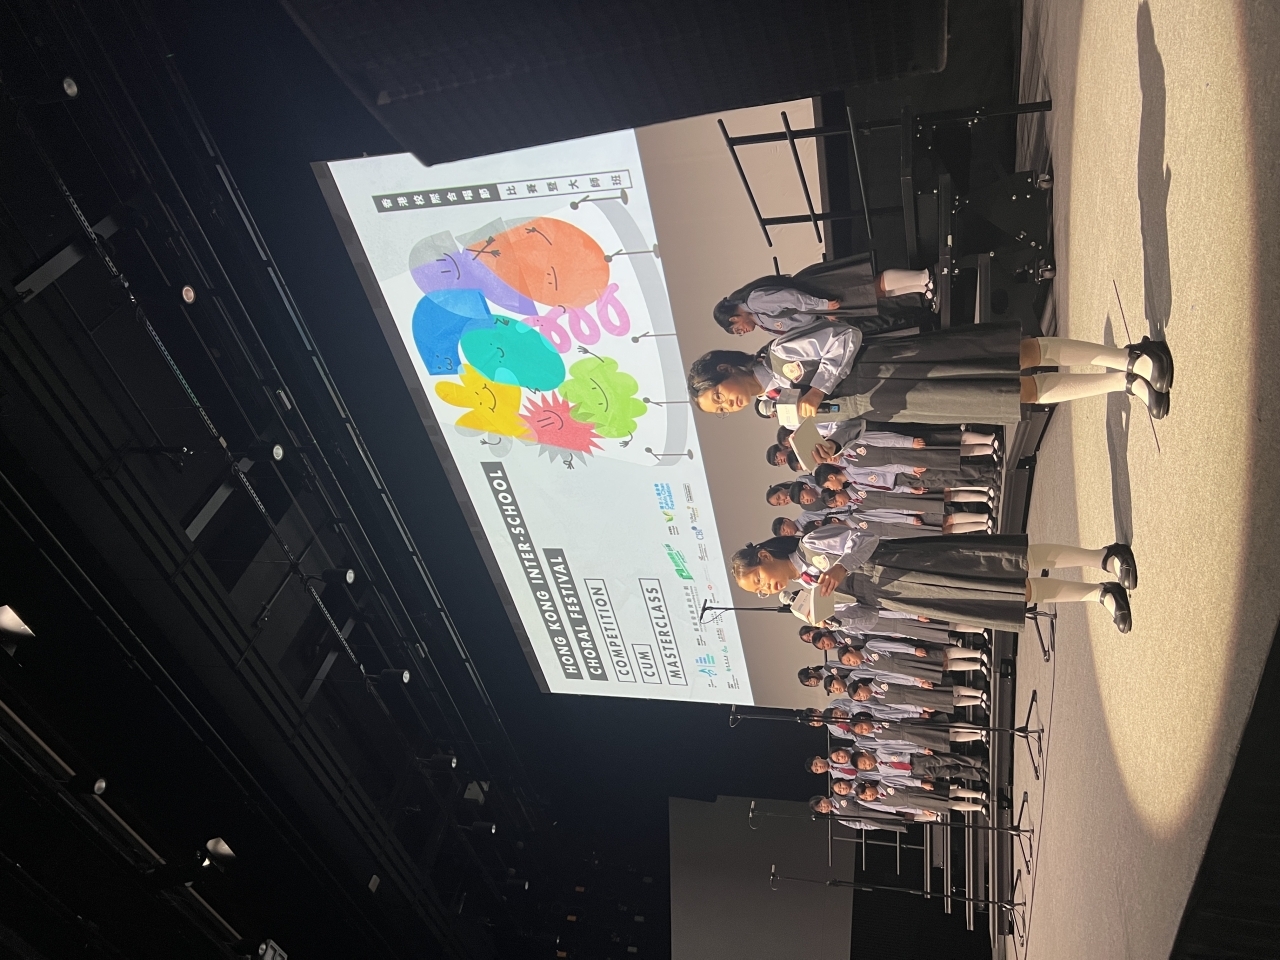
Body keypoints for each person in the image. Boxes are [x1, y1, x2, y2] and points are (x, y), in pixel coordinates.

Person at [688, 323, 1175, 422]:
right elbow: (836, 413)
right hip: (903, 401)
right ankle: (1122, 384)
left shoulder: (778, 352)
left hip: (902, 361)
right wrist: (827, 437)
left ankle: (1129, 356)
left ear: (725, 369)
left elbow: (845, 337)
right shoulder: (778, 407)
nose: (729, 405)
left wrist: (817, 388)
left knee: (1015, 353)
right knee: (1015, 395)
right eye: (721, 410)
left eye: (720, 396)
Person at [729, 529, 1139, 633]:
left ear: (764, 556)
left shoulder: (811, 544)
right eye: (760, 591)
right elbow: (870, 617)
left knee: (1005, 560)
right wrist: (840, 621)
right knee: (1011, 593)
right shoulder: (808, 597)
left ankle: (1103, 556)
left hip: (911, 561)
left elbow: (865, 538)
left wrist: (842, 567)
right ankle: (1098, 594)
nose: (767, 588)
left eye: (759, 579)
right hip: (904, 594)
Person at [713, 257, 932, 337]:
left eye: (737, 330)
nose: (742, 332)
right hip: (821, 306)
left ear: (734, 318)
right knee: (873, 298)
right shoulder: (762, 323)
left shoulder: (754, 302)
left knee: (870, 287)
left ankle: (923, 277)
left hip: (818, 292)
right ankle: (921, 288)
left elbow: (790, 298)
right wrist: (823, 315)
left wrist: (821, 304)